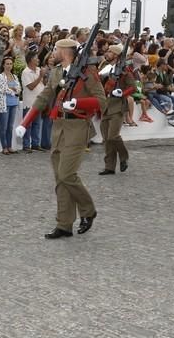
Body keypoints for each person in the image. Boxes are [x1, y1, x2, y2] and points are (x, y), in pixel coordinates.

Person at [16, 39, 106, 239]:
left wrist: (78, 103)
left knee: (67, 174)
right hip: (58, 128)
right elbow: (45, 96)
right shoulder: (57, 71)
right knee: (60, 179)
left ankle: (88, 209)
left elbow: (101, 101)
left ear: (65, 51)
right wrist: (25, 122)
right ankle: (64, 224)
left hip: (77, 127)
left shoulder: (87, 72)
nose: (53, 52)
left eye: (56, 49)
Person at [98, 44, 136, 175]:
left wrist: (122, 93)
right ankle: (109, 166)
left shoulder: (124, 70)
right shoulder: (105, 68)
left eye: (110, 51)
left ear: (116, 55)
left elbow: (133, 87)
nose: (107, 53)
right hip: (106, 105)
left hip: (118, 105)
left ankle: (124, 156)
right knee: (106, 139)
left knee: (113, 136)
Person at [0, 56, 21, 154]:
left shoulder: (15, 76)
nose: (9, 66)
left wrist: (13, 90)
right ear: (3, 65)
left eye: (10, 64)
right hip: (4, 104)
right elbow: (2, 89)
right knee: (4, 127)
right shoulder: (0, 76)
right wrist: (13, 90)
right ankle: (4, 147)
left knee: (10, 127)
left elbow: (19, 88)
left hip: (13, 103)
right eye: (7, 64)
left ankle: (9, 146)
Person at [20, 52, 45, 152]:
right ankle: (26, 145)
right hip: (29, 103)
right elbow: (31, 87)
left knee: (37, 124)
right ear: (31, 60)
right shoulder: (25, 72)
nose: (38, 60)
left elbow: (42, 84)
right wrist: (40, 77)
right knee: (28, 124)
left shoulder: (39, 70)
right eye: (36, 58)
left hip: (38, 102)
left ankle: (35, 144)